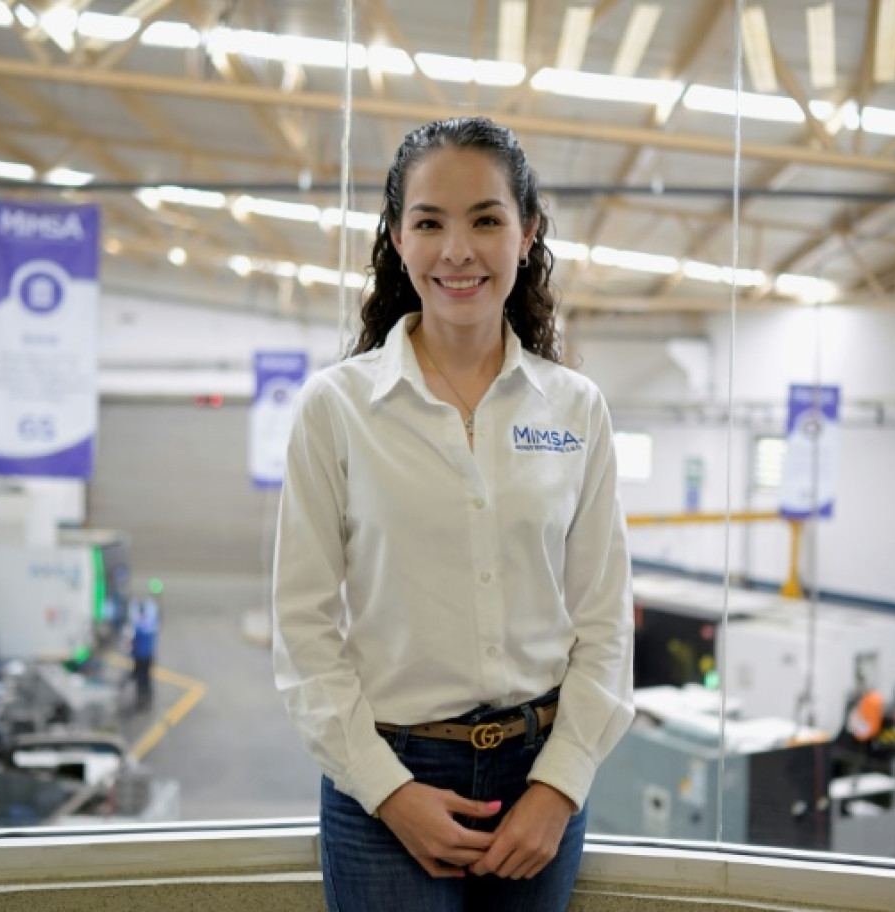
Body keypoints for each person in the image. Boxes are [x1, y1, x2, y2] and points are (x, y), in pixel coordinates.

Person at [272, 116, 634, 911]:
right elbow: (302, 629)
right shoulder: (336, 409)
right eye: (429, 222)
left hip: (539, 784)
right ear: (397, 240)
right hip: (386, 783)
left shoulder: (576, 409)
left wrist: (562, 785)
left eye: (486, 219)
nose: (457, 250)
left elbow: (605, 622)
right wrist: (387, 790)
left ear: (527, 232)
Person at [126, 584, 160, 712]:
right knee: (143, 680)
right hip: (143, 655)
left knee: (143, 680)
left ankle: (144, 700)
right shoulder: (148, 625)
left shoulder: (142, 626)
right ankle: (144, 700)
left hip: (143, 656)